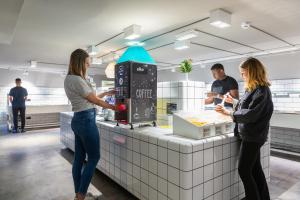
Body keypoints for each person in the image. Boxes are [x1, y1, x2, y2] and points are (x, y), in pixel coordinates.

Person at [215, 57, 273, 200]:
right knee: (255, 169)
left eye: (244, 73)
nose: (242, 76)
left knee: (244, 170)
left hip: (252, 136)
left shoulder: (262, 90)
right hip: (250, 135)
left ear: (253, 72)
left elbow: (251, 114)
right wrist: (233, 101)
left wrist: (229, 113)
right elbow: (246, 106)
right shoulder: (253, 89)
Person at [64, 49, 117, 200]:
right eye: (87, 63)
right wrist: (115, 107)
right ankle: (81, 195)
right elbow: (94, 101)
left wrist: (106, 94)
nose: (88, 66)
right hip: (86, 120)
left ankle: (78, 193)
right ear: (80, 62)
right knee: (94, 157)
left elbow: (90, 98)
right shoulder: (77, 80)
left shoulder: (70, 79)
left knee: (79, 159)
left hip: (78, 120)